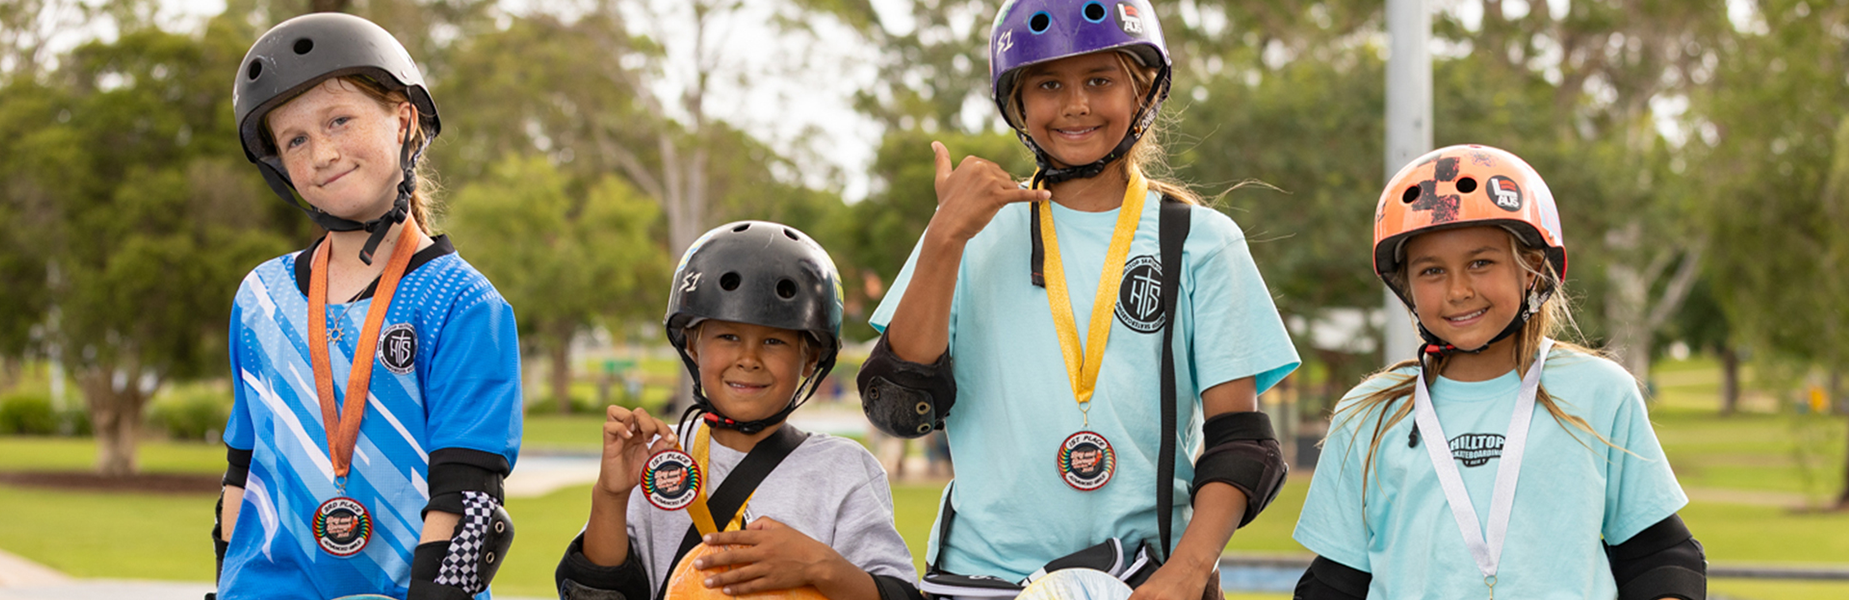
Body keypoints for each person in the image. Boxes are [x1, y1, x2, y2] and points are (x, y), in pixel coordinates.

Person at [857, 0, 1297, 598]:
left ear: (1142, 92)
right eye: (1047, 84)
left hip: (1146, 581)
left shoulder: (1201, 241)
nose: (1075, 104)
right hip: (981, 581)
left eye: (1099, 80)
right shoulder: (968, 231)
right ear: (1018, 105)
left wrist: (1187, 573)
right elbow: (899, 406)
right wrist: (945, 235)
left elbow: (1241, 443)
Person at [1290, 145, 1707, 599]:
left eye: (1480, 263)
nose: (1458, 290)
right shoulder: (1368, 412)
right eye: (1432, 271)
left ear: (1531, 268)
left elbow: (1659, 556)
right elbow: (1335, 582)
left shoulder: (1600, 392)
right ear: (1405, 284)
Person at [215, 13, 523, 600]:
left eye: (339, 120)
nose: (323, 152)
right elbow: (242, 473)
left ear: (404, 120)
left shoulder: (461, 302)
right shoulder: (259, 297)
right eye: (296, 140)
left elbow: (469, 495)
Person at [554, 221, 922, 600]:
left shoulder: (844, 470)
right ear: (693, 347)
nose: (749, 358)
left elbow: (899, 594)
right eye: (728, 336)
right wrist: (611, 496)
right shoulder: (656, 457)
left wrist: (818, 565)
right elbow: (598, 594)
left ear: (810, 359)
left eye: (774, 341)